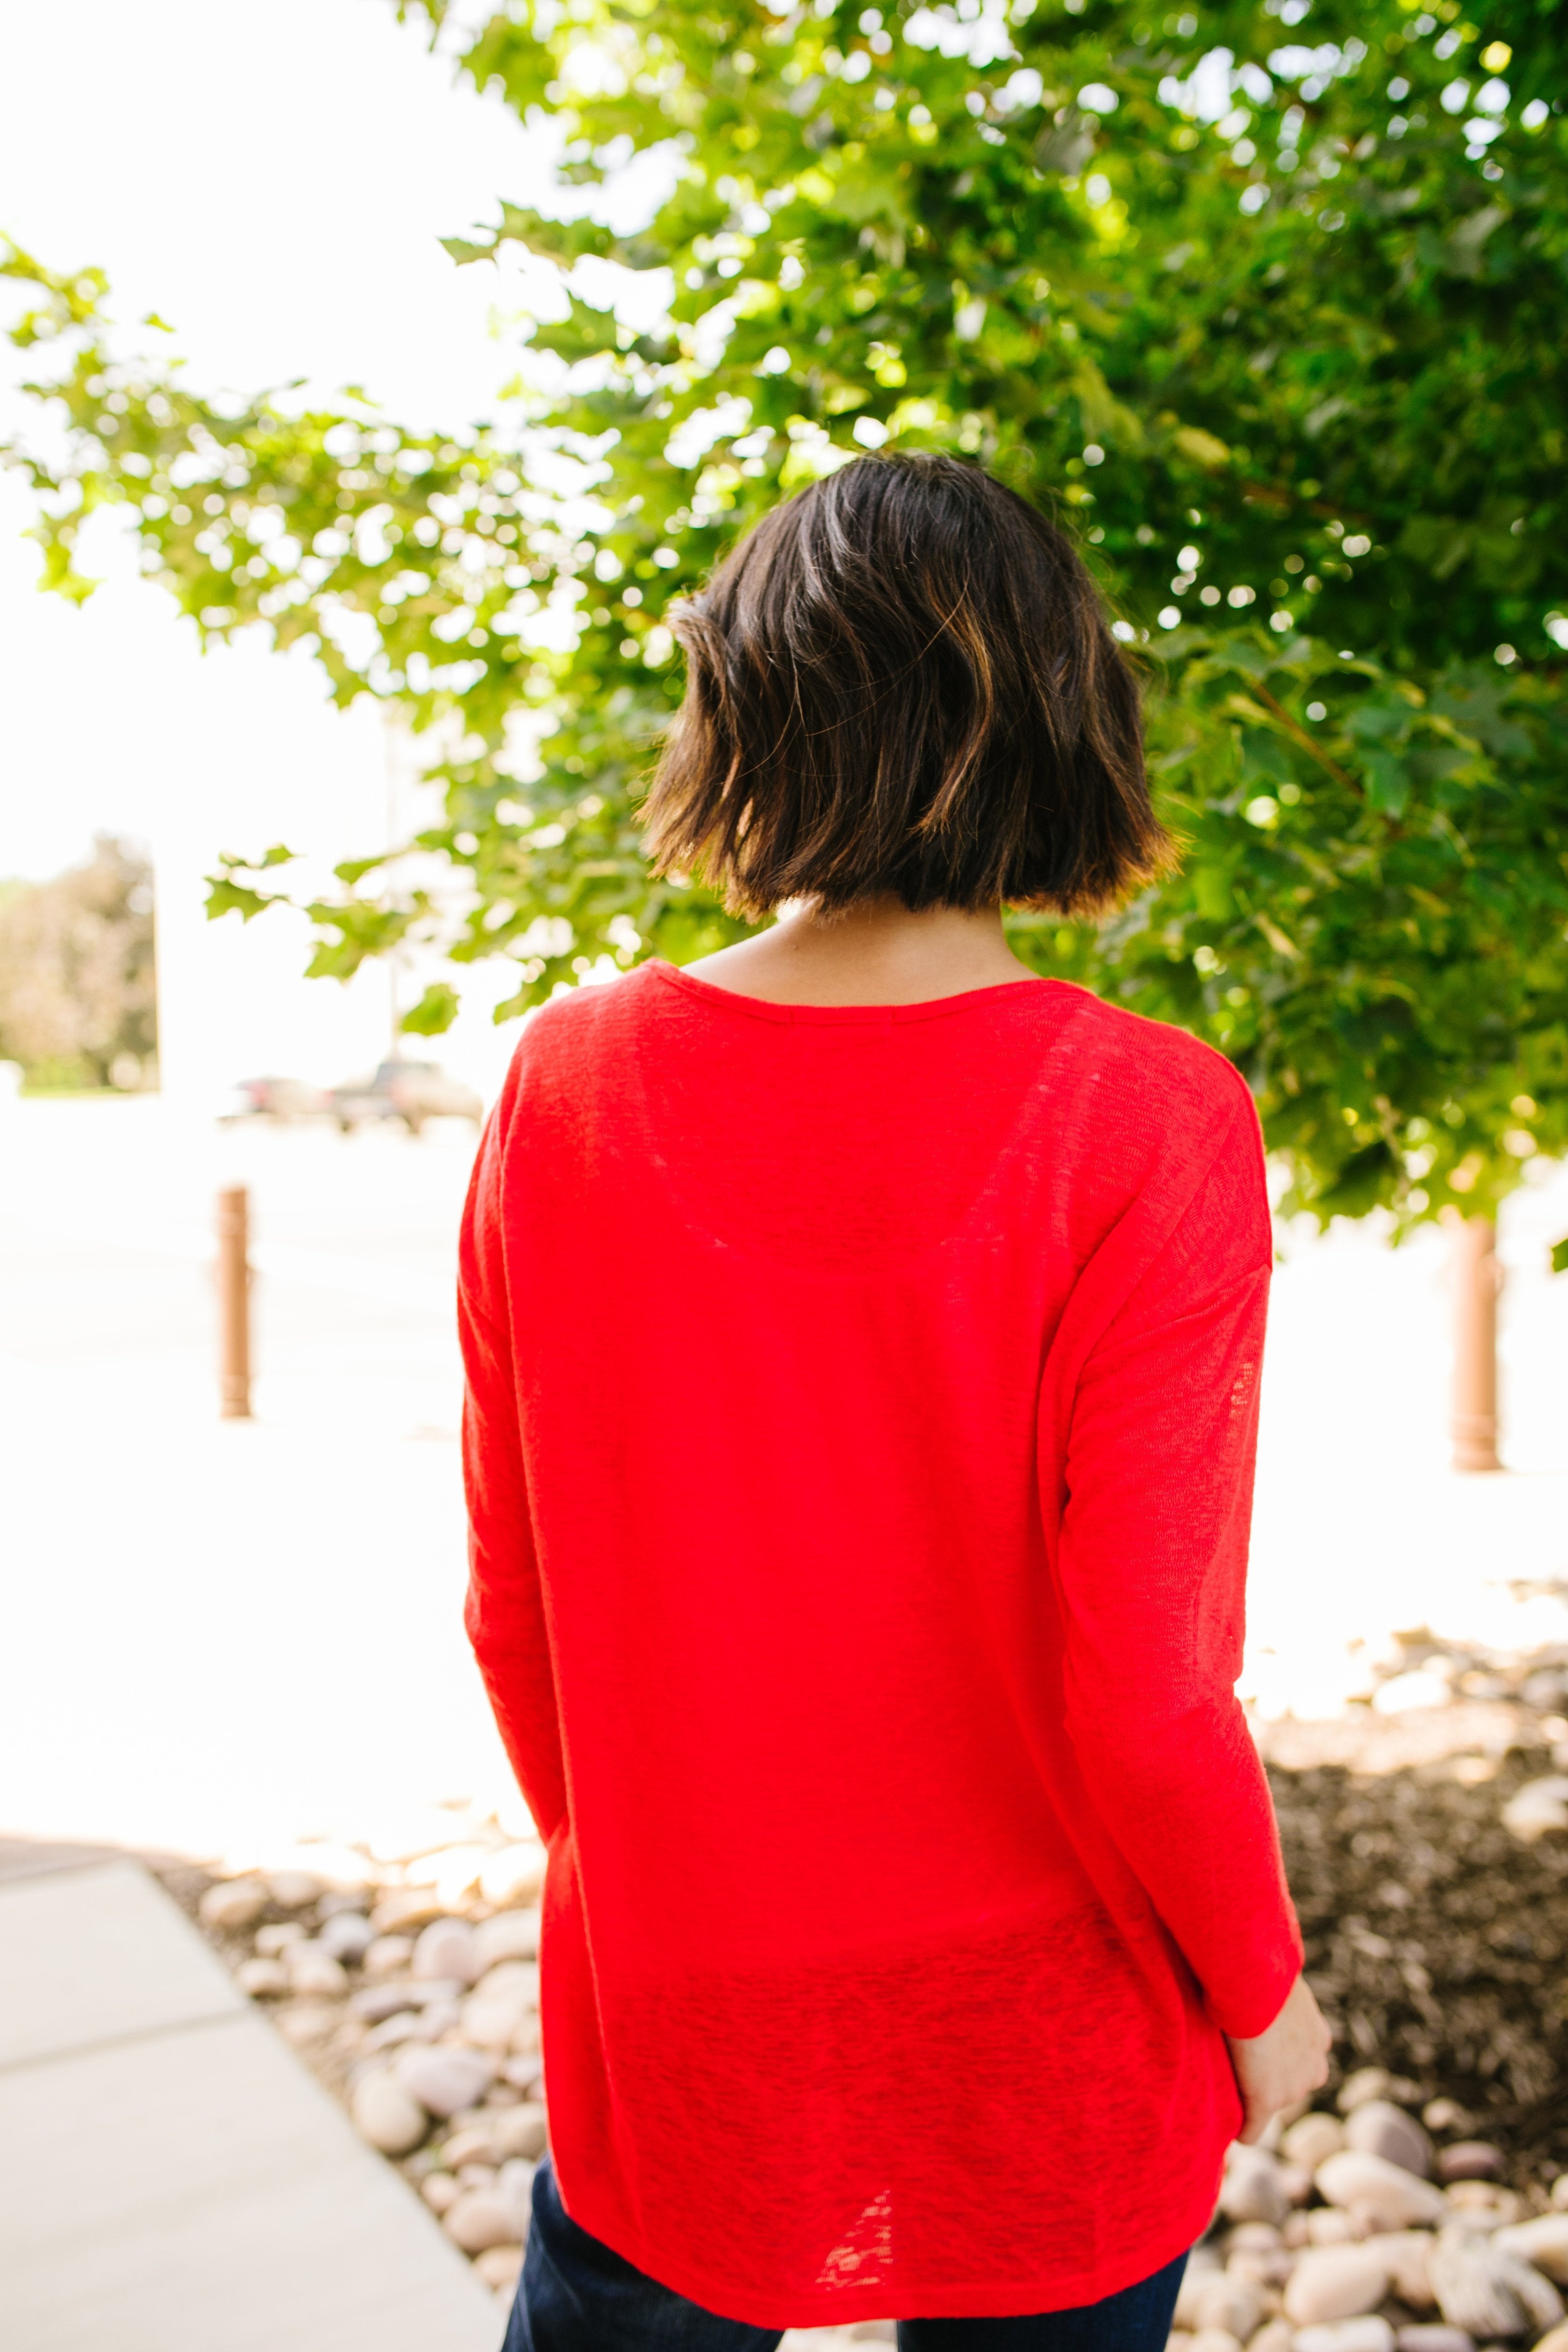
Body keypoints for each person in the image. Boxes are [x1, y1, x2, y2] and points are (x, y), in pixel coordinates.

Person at [458, 452, 1330, 2352]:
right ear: (1064, 727)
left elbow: (516, 1607)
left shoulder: (569, 1085)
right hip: (1053, 2031)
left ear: (746, 707)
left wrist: (660, 1896)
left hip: (683, 2004)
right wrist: (1266, 1995)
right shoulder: (1149, 1119)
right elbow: (1148, 1692)